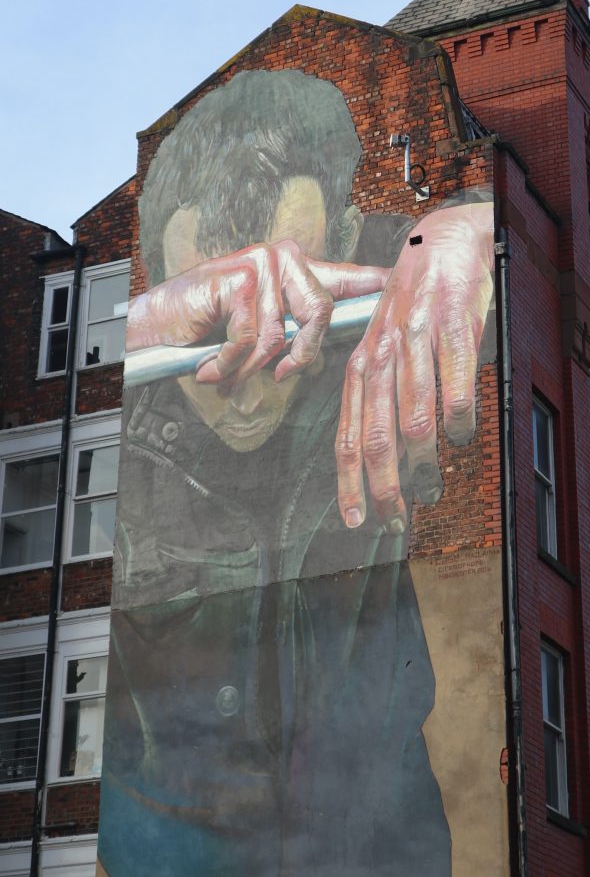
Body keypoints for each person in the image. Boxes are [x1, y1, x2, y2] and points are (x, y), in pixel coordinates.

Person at [98, 68, 494, 877]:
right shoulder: (106, 390)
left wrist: (470, 234)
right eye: (208, 336)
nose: (244, 389)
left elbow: (511, 235)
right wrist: (121, 338)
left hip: (384, 843)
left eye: (283, 322)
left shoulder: (377, 291)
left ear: (346, 241)